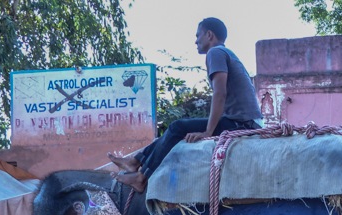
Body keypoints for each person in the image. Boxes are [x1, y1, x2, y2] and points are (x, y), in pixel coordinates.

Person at [109, 17, 262, 193]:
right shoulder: (226, 53)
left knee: (177, 127)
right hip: (242, 121)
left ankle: (141, 177)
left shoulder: (216, 53)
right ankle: (135, 162)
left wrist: (207, 132)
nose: (195, 40)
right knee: (172, 132)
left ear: (209, 35)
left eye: (198, 35)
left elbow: (220, 94)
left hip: (241, 124)